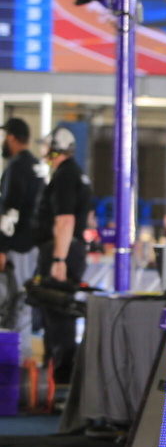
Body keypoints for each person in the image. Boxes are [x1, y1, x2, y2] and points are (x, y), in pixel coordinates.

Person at [33, 128, 91, 383]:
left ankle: (61, 379)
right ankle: (56, 376)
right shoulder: (76, 175)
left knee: (58, 313)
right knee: (57, 313)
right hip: (70, 249)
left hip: (62, 252)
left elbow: (66, 220)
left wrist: (59, 259)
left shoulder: (66, 175)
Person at [0, 118, 44, 360]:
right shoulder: (37, 166)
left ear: (13, 137)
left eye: (4, 136)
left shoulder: (16, 167)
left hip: (17, 247)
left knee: (10, 303)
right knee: (23, 302)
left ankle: (10, 360)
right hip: (34, 245)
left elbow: (11, 211)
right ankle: (21, 355)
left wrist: (2, 246)